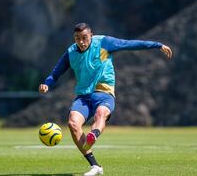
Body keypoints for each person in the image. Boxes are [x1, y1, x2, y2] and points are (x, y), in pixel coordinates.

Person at [38, 23, 172, 176]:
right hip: (83, 97)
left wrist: (157, 45)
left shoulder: (103, 42)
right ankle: (95, 166)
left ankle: (93, 134)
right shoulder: (71, 52)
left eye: (84, 38)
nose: (81, 42)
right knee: (73, 123)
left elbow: (129, 44)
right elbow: (55, 73)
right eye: (77, 39)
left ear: (91, 35)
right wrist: (46, 84)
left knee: (101, 113)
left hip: (104, 93)